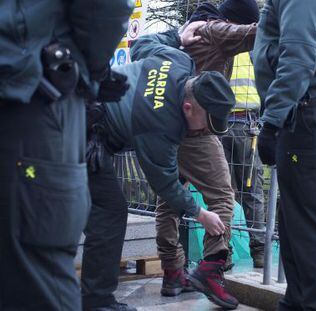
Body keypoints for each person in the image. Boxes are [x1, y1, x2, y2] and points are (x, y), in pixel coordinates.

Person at [81, 28, 235, 311]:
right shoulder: (161, 126)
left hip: (83, 112)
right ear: (188, 108)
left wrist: (178, 36)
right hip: (85, 135)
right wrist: (200, 214)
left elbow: (142, 43)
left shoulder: (177, 60)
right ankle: (96, 301)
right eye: (206, 122)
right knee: (109, 211)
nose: (204, 131)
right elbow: (163, 184)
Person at [0, 1, 133, 310]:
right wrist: (90, 72)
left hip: (30, 95)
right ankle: (98, 297)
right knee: (38, 279)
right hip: (33, 103)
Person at [137, 1, 259, 308]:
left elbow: (143, 46)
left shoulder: (191, 30)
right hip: (197, 126)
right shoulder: (217, 30)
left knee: (169, 199)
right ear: (231, 18)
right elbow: (253, 33)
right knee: (222, 195)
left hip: (172, 122)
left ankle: (172, 272)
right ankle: (211, 268)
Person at [253, 0, 316, 310]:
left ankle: (314, 305)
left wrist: (271, 120)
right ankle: (299, 302)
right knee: (297, 219)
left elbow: (298, 55)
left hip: (310, 110)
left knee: (311, 220)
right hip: (305, 109)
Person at [222, 51, 265, 268]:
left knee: (221, 193)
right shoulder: (255, 49)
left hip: (222, 126)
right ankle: (258, 252)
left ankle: (221, 252)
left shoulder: (221, 45)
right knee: (252, 192)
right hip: (247, 127)